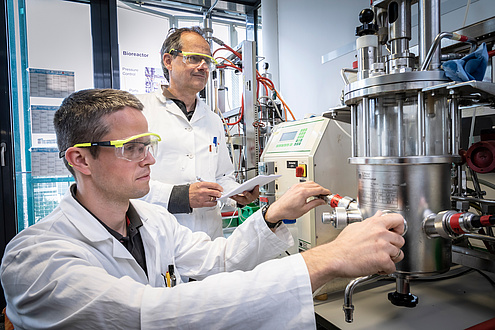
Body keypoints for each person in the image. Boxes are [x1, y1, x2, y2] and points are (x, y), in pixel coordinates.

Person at [1, 89, 406, 329]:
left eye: (148, 146)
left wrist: (274, 214)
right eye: (131, 150)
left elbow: (220, 260)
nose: (150, 161)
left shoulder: (152, 223)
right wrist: (329, 258)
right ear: (80, 160)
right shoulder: (35, 259)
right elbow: (150, 315)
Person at [136, 26, 258, 239]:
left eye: (207, 61)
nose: (203, 66)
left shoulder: (212, 119)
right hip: (159, 235)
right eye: (193, 58)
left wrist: (236, 193)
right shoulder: (140, 111)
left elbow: (222, 175)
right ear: (168, 61)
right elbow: (125, 181)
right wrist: (180, 196)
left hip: (208, 236)